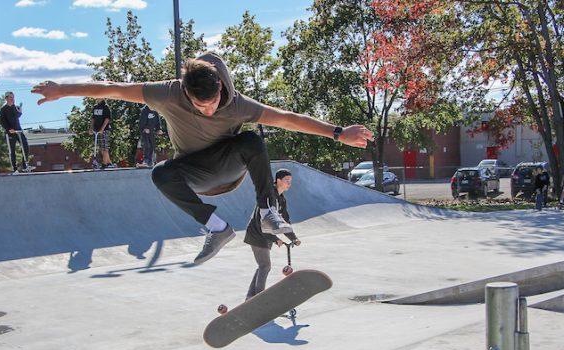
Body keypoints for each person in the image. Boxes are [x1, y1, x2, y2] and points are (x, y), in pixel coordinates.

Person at [31, 52, 372, 264]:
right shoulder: (166, 93)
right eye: (201, 106)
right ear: (186, 93)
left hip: (229, 167)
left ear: (222, 88)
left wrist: (338, 132)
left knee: (252, 139)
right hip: (196, 174)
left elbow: (286, 117)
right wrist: (63, 89)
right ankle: (216, 227)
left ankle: (268, 213)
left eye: (214, 102)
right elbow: (113, 87)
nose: (210, 109)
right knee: (160, 173)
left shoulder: (239, 104)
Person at [244, 168, 300, 300]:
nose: (289, 184)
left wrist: (294, 238)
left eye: (290, 181)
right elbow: (261, 223)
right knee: (265, 266)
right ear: (278, 181)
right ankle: (259, 298)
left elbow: (285, 221)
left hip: (265, 235)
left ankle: (251, 297)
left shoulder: (281, 199)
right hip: (257, 234)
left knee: (262, 266)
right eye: (286, 180)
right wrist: (275, 239)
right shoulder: (268, 198)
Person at [0, 91, 32, 173]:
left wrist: (20, 111)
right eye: (10, 97)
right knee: (12, 151)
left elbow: (17, 115)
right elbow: (2, 121)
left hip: (18, 131)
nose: (12, 99)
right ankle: (14, 169)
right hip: (10, 132)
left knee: (25, 146)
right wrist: (9, 129)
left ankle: (25, 165)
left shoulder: (15, 107)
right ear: (6, 98)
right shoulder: (3, 109)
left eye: (13, 97)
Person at [91, 98, 114, 169]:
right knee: (101, 148)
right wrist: (91, 128)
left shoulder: (105, 107)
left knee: (104, 148)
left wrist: (102, 129)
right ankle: (109, 163)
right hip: (97, 131)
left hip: (104, 130)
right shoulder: (95, 107)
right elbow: (93, 118)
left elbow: (107, 119)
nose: (96, 98)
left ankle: (104, 163)